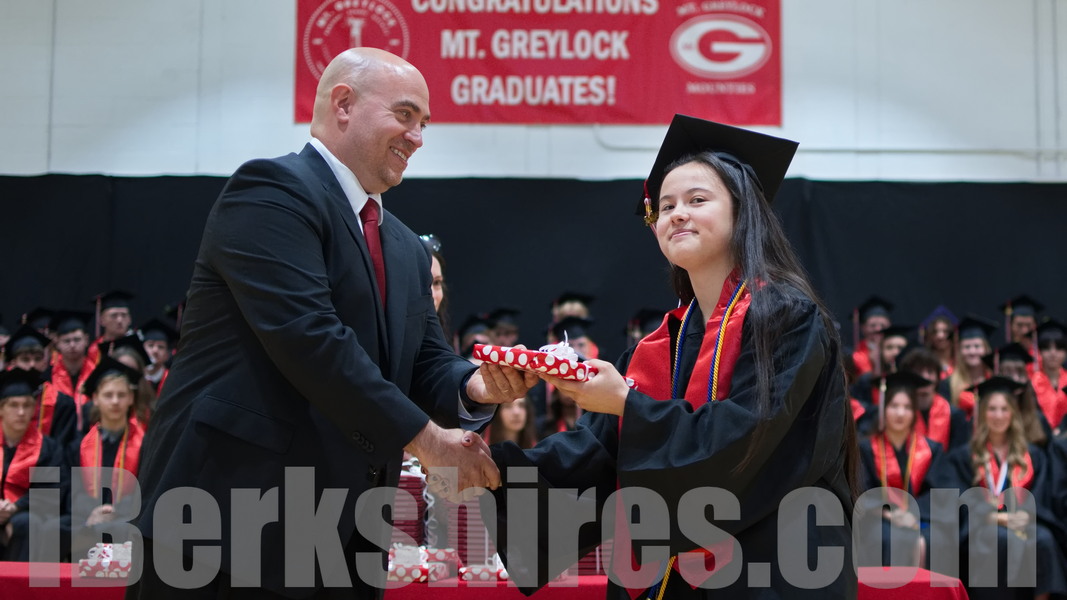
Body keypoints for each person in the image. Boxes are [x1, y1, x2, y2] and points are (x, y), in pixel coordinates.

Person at [129, 47, 535, 599]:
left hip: (346, 539)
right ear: (343, 104)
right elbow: (310, 340)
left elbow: (424, 359)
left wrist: (476, 385)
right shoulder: (271, 192)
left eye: (424, 123)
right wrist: (428, 441)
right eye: (405, 114)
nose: (418, 137)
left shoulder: (404, 245)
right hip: (223, 523)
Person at [478, 115, 857, 598]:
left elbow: (747, 439)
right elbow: (597, 455)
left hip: (771, 572)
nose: (676, 214)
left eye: (697, 200)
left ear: (743, 213)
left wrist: (627, 405)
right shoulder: (656, 347)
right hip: (669, 582)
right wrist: (489, 468)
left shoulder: (787, 319)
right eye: (665, 206)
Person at [928, 377, 1067, 600]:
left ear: (1013, 413)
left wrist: (1026, 515)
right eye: (992, 409)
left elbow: (1042, 493)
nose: (998, 415)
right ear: (982, 413)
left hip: (1022, 520)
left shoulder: (1031, 455)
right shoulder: (965, 456)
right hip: (981, 525)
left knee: (1044, 539)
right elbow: (957, 496)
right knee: (1001, 539)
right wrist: (994, 517)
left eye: (1004, 409)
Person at [855, 371, 944, 567]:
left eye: (907, 407)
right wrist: (889, 514)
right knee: (888, 537)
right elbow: (862, 492)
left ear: (915, 412)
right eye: (894, 406)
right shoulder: (866, 449)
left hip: (919, 518)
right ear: (883, 408)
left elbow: (935, 494)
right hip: (879, 520)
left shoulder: (931, 450)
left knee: (935, 539)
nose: (900, 413)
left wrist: (912, 514)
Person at [67, 357, 147, 558]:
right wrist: (93, 512)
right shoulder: (79, 446)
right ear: (95, 398)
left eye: (121, 395)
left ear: (131, 398)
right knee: (54, 528)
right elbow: (72, 490)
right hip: (88, 517)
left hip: (129, 518)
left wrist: (117, 511)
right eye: (108, 395)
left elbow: (146, 487)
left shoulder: (145, 444)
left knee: (120, 529)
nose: (115, 401)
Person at [0, 368, 67, 561]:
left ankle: (17, 580)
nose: (21, 412)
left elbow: (50, 491)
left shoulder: (47, 448)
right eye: (14, 405)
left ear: (34, 409)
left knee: (27, 523)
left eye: (27, 405)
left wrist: (15, 507)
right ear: (1, 409)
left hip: (24, 515)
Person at [948, 315, 997, 414]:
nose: (972, 351)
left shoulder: (995, 381)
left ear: (986, 349)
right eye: (967, 347)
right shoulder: (948, 384)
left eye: (977, 346)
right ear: (960, 351)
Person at [1030, 319, 1067, 434]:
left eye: (1059, 348)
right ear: (1039, 352)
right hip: (1039, 438)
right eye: (1047, 348)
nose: (1053, 353)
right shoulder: (1032, 383)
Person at [850, 295, 893, 377]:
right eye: (873, 325)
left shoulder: (896, 352)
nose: (878, 329)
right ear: (863, 328)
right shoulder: (856, 355)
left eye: (883, 325)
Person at [137, 317, 179, 394]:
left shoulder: (173, 380)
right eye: (150, 345)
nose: (155, 350)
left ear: (167, 355)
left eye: (161, 347)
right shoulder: (136, 378)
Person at [921, 305, 958, 379]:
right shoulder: (925, 363)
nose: (940, 336)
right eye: (935, 332)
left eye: (945, 331)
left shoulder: (960, 362)